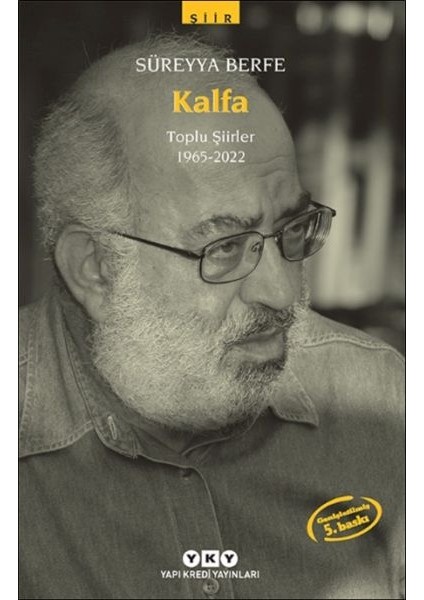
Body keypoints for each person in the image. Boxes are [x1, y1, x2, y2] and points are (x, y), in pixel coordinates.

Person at [19, 34, 404, 599]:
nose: (282, 292)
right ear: (96, 268)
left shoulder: (383, 402)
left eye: (292, 228)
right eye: (223, 248)